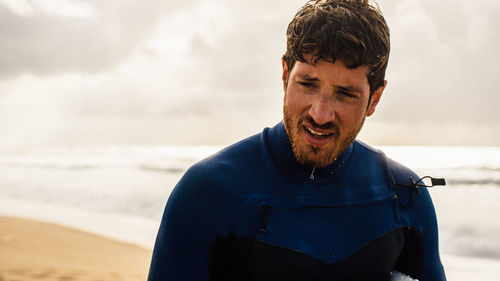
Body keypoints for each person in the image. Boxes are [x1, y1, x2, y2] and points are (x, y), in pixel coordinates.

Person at [148, 0, 446, 280]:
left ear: (374, 98)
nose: (320, 114)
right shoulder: (207, 192)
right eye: (308, 84)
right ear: (285, 75)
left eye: (345, 94)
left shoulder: (406, 197)